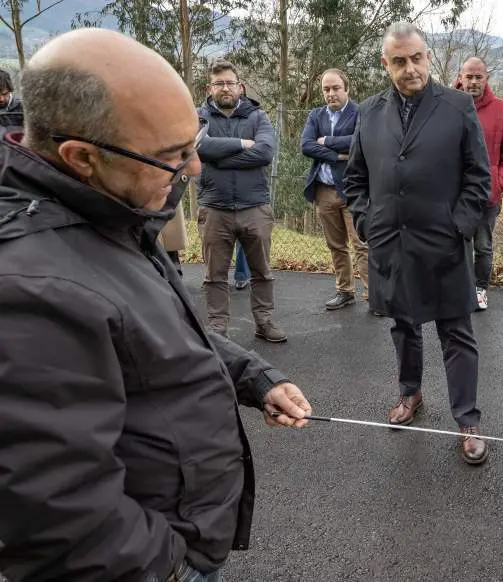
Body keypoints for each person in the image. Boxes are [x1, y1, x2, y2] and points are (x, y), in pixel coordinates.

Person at [0, 28, 313, 581]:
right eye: (172, 156)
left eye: (194, 144)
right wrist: (170, 568)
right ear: (81, 157)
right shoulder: (30, 285)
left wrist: (254, 377)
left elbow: (157, 329)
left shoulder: (104, 209)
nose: (193, 170)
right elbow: (52, 509)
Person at [344, 22, 491, 465]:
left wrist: (459, 226)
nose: (411, 69)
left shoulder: (458, 106)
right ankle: (410, 394)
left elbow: (478, 176)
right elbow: (355, 177)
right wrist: (367, 222)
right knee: (403, 326)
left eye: (417, 58)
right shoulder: (369, 112)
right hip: (391, 243)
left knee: (456, 333)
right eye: (399, 61)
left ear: (428, 57)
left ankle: (467, 418)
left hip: (444, 243)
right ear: (385, 64)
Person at [196, 59, 285, 342]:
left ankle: (265, 321)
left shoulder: (258, 117)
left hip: (254, 206)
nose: (225, 88)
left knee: (262, 271)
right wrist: (240, 144)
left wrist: (219, 160)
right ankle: (217, 326)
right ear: (209, 88)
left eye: (230, 83)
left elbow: (265, 153)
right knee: (214, 274)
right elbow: (198, 146)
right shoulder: (199, 117)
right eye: (219, 83)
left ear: (240, 86)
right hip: (214, 207)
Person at [455, 56, 503, 311]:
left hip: (486, 195)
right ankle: (458, 289)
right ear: (460, 77)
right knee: (456, 245)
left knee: (482, 246)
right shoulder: (448, 106)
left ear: (486, 78)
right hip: (454, 194)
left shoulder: (502, 110)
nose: (472, 81)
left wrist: (498, 184)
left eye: (478, 76)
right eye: (468, 76)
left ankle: (480, 289)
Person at [301, 67, 369, 311]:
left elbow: (360, 142)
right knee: (336, 244)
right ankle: (345, 291)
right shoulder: (316, 115)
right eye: (326, 89)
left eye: (335, 88)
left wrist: (327, 141)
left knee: (361, 243)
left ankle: (375, 295)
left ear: (346, 88)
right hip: (324, 190)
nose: (330, 93)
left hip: (353, 189)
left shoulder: (360, 112)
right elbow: (306, 146)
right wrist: (337, 156)